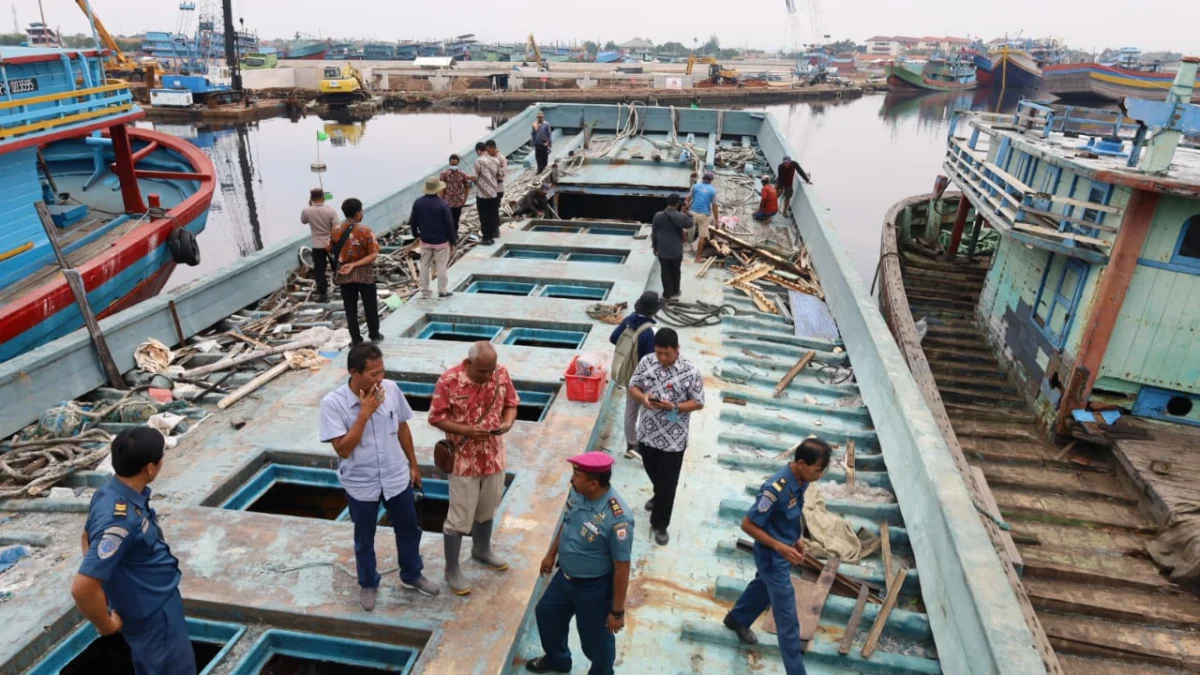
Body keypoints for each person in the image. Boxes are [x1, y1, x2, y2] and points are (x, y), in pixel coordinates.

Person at [320, 343, 440, 608]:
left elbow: (403, 429)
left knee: (409, 528)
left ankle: (412, 574)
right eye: (373, 374)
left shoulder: (392, 390)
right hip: (361, 482)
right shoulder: (333, 404)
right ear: (354, 372)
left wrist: (414, 464)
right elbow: (344, 449)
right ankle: (368, 583)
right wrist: (364, 414)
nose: (379, 379)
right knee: (365, 536)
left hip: (396, 476)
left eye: (381, 372)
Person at [72, 428, 195, 675]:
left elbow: (86, 538)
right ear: (150, 468)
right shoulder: (121, 521)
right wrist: (106, 626)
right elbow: (82, 587)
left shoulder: (109, 492)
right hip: (153, 614)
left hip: (153, 601)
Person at [723, 439, 832, 675]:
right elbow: (747, 524)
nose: (820, 475)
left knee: (762, 586)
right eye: (818, 470)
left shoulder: (801, 480)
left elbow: (789, 516)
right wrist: (780, 547)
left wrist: (796, 538)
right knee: (788, 619)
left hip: (783, 551)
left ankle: (737, 618)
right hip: (772, 557)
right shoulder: (775, 489)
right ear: (801, 463)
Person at [526, 452, 633, 675]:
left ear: (593, 484)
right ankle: (558, 661)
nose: (572, 479)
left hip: (594, 588)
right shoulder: (577, 495)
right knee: (546, 614)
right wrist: (550, 554)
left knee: (596, 641)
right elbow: (567, 524)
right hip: (564, 578)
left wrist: (617, 612)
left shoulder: (618, 519)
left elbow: (622, 568)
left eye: (577, 475)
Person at [429, 341, 520, 595]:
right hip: (463, 460)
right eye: (481, 372)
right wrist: (468, 431)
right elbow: (436, 417)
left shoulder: (500, 373)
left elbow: (512, 402)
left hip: (493, 456)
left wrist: (507, 422)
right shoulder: (448, 381)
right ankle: (452, 568)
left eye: (490, 371)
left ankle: (481, 549)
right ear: (467, 364)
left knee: (488, 507)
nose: (487, 376)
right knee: (459, 516)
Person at [627, 328, 705, 545]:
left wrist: (675, 406)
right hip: (648, 432)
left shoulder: (691, 372)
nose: (662, 358)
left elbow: (698, 402)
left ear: (677, 350)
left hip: (674, 439)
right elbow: (633, 385)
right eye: (659, 353)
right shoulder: (647, 362)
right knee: (653, 471)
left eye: (667, 354)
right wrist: (643, 398)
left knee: (669, 483)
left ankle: (660, 524)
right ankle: (657, 494)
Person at [609, 291, 659, 459]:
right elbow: (651, 359)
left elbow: (613, 338)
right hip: (643, 378)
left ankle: (631, 444)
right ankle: (644, 445)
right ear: (654, 311)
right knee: (648, 409)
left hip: (628, 372)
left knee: (630, 412)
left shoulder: (628, 321)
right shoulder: (650, 331)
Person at [329, 198, 383, 344]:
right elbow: (373, 254)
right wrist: (356, 264)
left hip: (344, 275)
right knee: (370, 305)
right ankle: (374, 334)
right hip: (364, 274)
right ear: (358, 213)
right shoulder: (365, 231)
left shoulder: (335, 230)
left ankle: (356, 339)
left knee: (350, 309)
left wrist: (346, 264)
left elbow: (330, 250)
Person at [410, 176, 457, 301]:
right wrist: (453, 241)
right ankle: (442, 290)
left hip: (425, 240)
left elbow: (413, 221)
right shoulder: (442, 204)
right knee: (441, 266)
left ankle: (425, 291)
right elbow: (449, 224)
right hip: (442, 242)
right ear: (437, 190)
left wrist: (415, 234)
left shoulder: (418, 202)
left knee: (424, 266)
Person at [300, 187, 338, 302]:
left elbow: (303, 221)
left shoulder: (307, 210)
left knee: (319, 270)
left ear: (312, 198)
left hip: (317, 245)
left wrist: (309, 205)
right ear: (323, 197)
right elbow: (336, 227)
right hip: (330, 243)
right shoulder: (331, 210)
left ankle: (323, 294)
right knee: (336, 265)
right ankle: (342, 283)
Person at [651, 194, 691, 301]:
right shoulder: (681, 216)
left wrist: (655, 247)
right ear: (678, 204)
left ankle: (667, 294)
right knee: (676, 271)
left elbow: (654, 233)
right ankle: (676, 291)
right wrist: (686, 212)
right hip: (676, 250)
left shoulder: (658, 215)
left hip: (662, 248)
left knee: (665, 271)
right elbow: (690, 224)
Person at [685, 171, 720, 263]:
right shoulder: (713, 191)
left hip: (692, 212)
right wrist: (716, 220)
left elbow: (687, 199)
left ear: (703, 178)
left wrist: (687, 206)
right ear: (711, 180)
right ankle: (697, 258)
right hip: (704, 215)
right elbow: (714, 206)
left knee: (684, 230)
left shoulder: (695, 186)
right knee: (702, 236)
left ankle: (680, 252)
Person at [474, 142, 502, 245]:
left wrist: (470, 178)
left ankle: (486, 238)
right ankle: (491, 237)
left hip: (482, 195)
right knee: (492, 215)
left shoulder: (478, 161)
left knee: (484, 217)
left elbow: (475, 176)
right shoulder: (496, 160)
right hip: (493, 193)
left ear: (478, 151)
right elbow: (500, 175)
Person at [439, 153, 474, 232]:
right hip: (447, 202)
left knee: (456, 220)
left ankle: (455, 235)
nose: (453, 165)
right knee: (448, 220)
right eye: (452, 164)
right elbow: (441, 188)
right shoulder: (444, 174)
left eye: (455, 164)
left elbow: (467, 186)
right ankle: (449, 235)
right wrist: (441, 200)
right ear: (449, 163)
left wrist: (465, 198)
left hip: (458, 202)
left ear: (458, 163)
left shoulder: (462, 174)